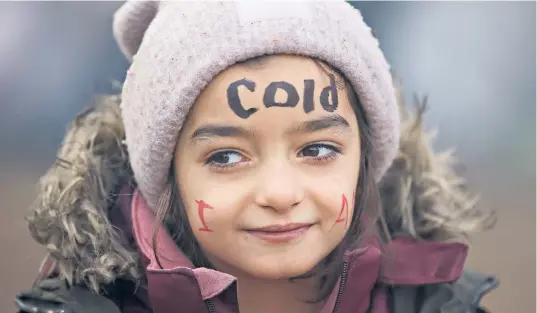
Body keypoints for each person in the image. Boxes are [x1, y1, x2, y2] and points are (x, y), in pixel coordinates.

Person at [15, 1, 497, 313]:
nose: (279, 193)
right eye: (226, 157)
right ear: (166, 174)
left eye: (318, 149)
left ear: (365, 161)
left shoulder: (440, 301)